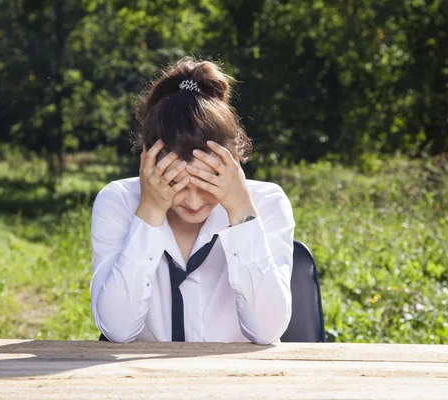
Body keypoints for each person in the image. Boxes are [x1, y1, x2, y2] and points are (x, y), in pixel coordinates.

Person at [90, 57, 295, 344]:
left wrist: (241, 213)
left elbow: (267, 331)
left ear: (233, 161)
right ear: (148, 164)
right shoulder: (119, 202)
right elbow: (117, 330)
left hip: (237, 383)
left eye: (208, 182)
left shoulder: (267, 202)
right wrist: (149, 211)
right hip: (140, 381)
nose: (194, 201)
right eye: (176, 183)